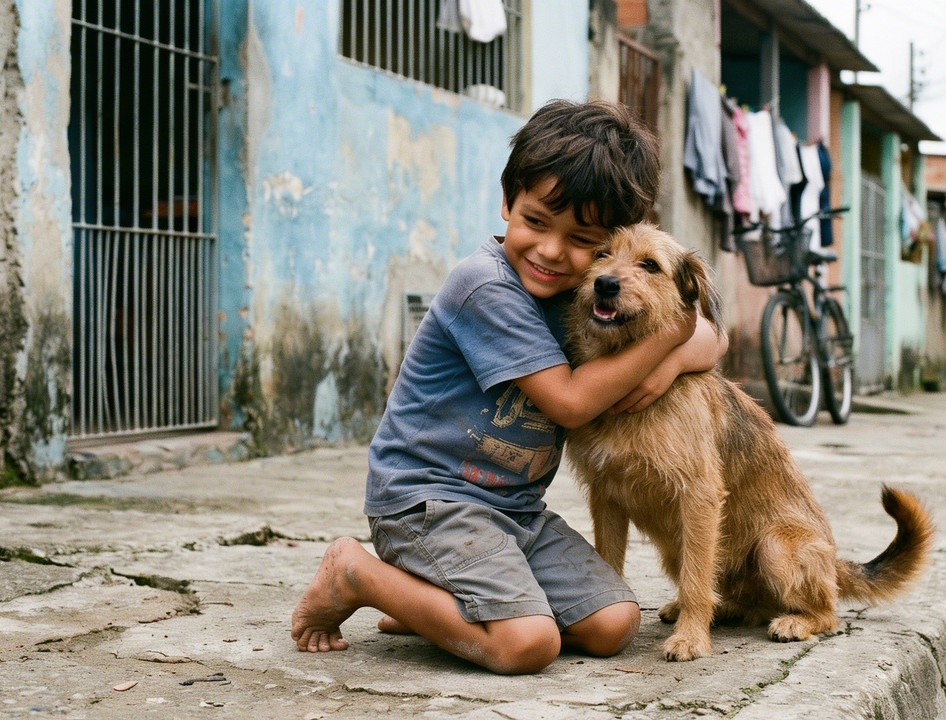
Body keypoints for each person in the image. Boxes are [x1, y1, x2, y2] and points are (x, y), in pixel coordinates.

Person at [289, 100, 728, 674]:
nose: (551, 251)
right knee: (528, 644)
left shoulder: (582, 301)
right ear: (507, 200)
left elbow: (711, 338)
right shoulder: (486, 288)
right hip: (429, 502)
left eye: (584, 241)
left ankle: (431, 604)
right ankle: (356, 574)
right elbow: (570, 403)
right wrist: (673, 337)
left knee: (616, 622)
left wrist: (672, 358)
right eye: (537, 222)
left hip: (515, 511)